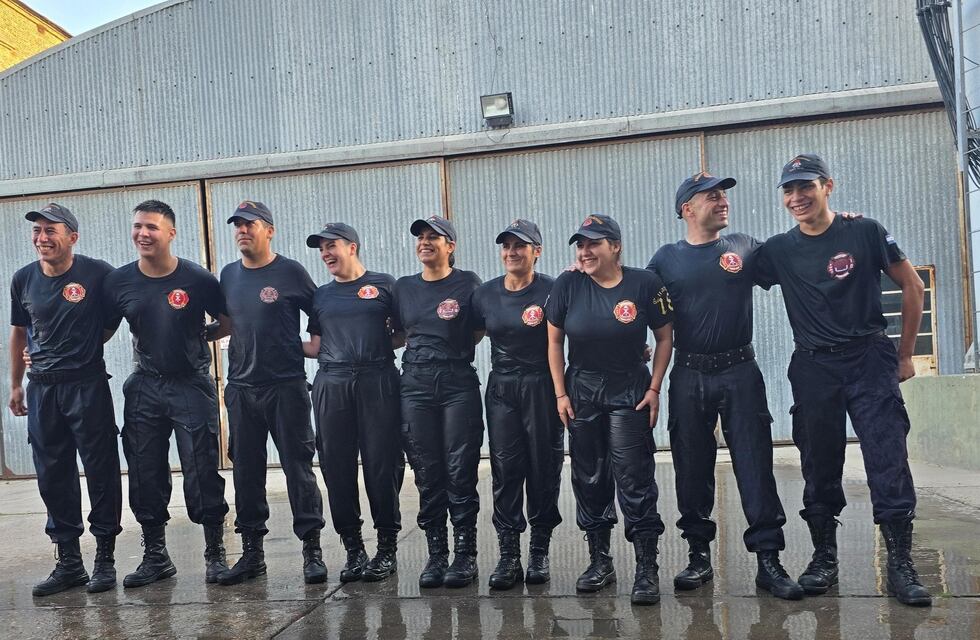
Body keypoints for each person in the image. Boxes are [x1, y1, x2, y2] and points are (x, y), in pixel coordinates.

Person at [756, 154, 931, 607]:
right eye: (789, 190)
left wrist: (906, 354)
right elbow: (727, 272)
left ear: (827, 186)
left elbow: (913, 286)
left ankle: (900, 564)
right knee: (818, 461)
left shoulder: (865, 231)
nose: (797, 198)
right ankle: (823, 559)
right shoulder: (777, 250)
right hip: (814, 367)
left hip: (869, 358)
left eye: (806, 187)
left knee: (887, 457)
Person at [647, 174, 803, 600]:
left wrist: (838, 223)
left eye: (723, 193)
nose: (722, 200)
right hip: (689, 374)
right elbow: (626, 296)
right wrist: (582, 272)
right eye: (711, 195)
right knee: (691, 467)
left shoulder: (745, 248)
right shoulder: (665, 261)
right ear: (686, 209)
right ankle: (699, 556)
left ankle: (768, 561)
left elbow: (800, 251)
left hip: (740, 371)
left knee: (755, 465)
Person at [102, 199, 231, 588]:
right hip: (144, 385)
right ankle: (155, 556)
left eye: (152, 227)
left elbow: (226, 322)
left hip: (190, 383)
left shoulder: (198, 279)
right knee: (144, 471)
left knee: (202, 468)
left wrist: (200, 339)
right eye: (138, 226)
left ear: (171, 233)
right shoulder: (119, 282)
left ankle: (215, 553)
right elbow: (103, 331)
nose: (143, 233)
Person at [546, 214, 673, 605]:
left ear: (615, 246)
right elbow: (554, 343)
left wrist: (654, 387)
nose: (585, 252)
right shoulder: (567, 284)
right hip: (582, 391)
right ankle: (600, 561)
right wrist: (560, 395)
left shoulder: (645, 284)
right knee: (589, 477)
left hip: (629, 391)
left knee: (634, 478)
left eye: (593, 244)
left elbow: (665, 336)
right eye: (580, 245)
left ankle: (646, 568)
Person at [8, 203, 123, 596]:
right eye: (37, 231)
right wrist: (16, 384)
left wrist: (87, 345)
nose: (42, 238)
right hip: (43, 389)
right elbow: (20, 333)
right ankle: (69, 563)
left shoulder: (98, 274)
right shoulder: (23, 279)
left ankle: (104, 559)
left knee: (100, 469)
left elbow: (111, 321)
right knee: (52, 474)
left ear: (72, 236)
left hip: (86, 385)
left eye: (51, 230)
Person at [215, 200, 326, 586]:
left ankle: (312, 550)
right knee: (246, 472)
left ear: (269, 230)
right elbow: (223, 322)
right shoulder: (228, 275)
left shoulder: (290, 272)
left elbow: (321, 310)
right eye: (238, 226)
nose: (242, 231)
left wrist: (313, 344)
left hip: (286, 387)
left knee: (299, 468)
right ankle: (251, 554)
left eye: (250, 225)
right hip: (242, 389)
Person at [304, 221, 404, 583]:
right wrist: (269, 344)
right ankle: (353, 548)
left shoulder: (384, 285)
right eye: (321, 249)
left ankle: (387, 547)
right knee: (336, 467)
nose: (326, 253)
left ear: (353, 247)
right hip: (332, 382)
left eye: (332, 246)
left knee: (383, 464)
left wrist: (372, 349)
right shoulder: (321, 296)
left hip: (377, 379)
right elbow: (314, 346)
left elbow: (403, 332)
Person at [471, 219, 564, 590]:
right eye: (506, 246)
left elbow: (586, 325)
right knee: (506, 470)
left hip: (542, 385)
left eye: (520, 246)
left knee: (544, 466)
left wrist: (630, 350)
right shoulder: (485, 294)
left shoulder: (555, 290)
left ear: (536, 251)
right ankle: (509, 554)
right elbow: (468, 335)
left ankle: (539, 549)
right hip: (502, 388)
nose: (512, 252)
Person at [393, 215, 484, 589]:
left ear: (451, 246)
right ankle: (436, 554)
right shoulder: (402, 289)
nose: (426, 242)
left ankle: (465, 555)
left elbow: (480, 329)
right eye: (421, 238)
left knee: (460, 469)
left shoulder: (468, 284)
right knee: (427, 472)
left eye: (435, 237)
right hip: (414, 384)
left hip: (456, 384)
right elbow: (396, 334)